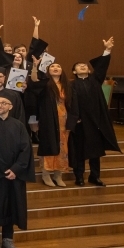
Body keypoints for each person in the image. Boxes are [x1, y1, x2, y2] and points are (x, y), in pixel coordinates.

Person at [0, 91, 34, 248]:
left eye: (4, 103)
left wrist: (16, 169)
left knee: (12, 206)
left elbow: (26, 149)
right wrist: (5, 170)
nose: (0, 105)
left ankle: (9, 239)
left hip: (14, 176)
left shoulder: (18, 125)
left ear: (11, 106)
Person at [70, 37, 119, 186]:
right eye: (79, 66)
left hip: (96, 121)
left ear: (89, 70)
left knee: (95, 151)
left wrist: (107, 50)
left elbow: (102, 67)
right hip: (80, 122)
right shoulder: (72, 84)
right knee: (79, 150)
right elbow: (70, 103)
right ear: (74, 71)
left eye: (84, 65)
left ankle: (94, 176)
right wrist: (75, 117)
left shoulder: (95, 80)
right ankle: (79, 176)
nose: (83, 66)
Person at [29, 57, 74, 187]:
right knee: (49, 145)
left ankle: (58, 175)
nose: (55, 68)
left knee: (63, 148)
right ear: (48, 71)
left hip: (64, 121)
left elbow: (72, 104)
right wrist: (34, 67)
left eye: (58, 67)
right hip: (48, 120)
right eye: (52, 67)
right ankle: (46, 174)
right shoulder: (45, 84)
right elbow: (33, 81)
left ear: (62, 71)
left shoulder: (67, 86)